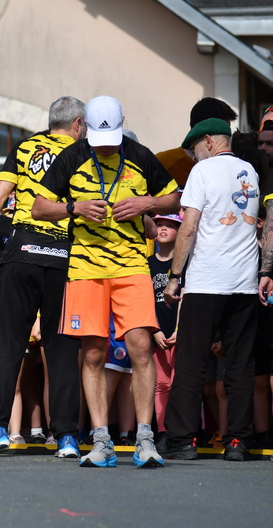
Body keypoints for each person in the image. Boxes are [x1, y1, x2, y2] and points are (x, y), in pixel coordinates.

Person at [31, 95, 180, 468]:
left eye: (111, 138)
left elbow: (175, 197)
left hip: (131, 266)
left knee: (141, 347)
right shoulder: (72, 157)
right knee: (94, 353)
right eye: (100, 140)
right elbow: (37, 207)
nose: (107, 147)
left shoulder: (140, 155)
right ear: (83, 128)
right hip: (85, 269)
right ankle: (101, 440)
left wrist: (146, 203)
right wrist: (74, 207)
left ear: (122, 123)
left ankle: (146, 437)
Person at [0, 96, 86, 459]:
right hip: (65, 256)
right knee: (62, 351)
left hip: (22, 253)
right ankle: (65, 436)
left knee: (8, 345)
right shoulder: (83, 154)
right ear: (78, 124)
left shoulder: (25, 148)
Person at [162, 118, 260, 461]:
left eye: (193, 150)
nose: (193, 157)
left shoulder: (201, 173)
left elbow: (188, 227)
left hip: (206, 280)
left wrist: (175, 275)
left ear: (207, 142)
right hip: (244, 282)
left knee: (190, 361)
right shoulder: (250, 171)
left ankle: (183, 439)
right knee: (240, 363)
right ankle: (237, 440)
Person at [148, 213, 182, 443]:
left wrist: (179, 330)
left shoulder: (184, 264)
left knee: (179, 382)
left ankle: (181, 430)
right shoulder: (147, 264)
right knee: (160, 383)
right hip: (157, 331)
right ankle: (162, 431)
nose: (163, 228)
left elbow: (187, 297)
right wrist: (154, 330)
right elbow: (144, 300)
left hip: (180, 331)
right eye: (159, 224)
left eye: (170, 225)